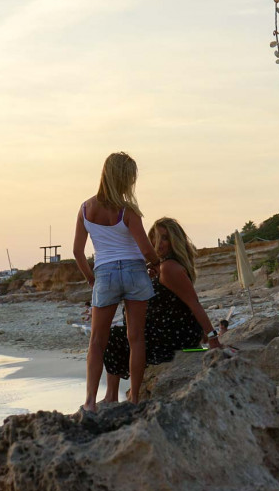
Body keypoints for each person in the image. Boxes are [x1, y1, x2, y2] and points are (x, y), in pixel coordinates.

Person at [73, 152, 162, 411]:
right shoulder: (128, 211)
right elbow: (145, 248)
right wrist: (156, 265)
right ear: (125, 179)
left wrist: (91, 278)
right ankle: (134, 398)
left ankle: (89, 402)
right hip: (135, 271)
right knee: (135, 338)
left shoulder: (86, 209)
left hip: (105, 273)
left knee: (97, 341)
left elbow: (78, 252)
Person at [101, 218, 224, 403]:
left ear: (175, 241)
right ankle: (112, 395)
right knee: (122, 334)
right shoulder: (163, 267)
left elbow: (194, 304)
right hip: (167, 331)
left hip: (174, 336)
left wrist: (213, 338)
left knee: (114, 336)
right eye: (154, 238)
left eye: (164, 238)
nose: (158, 244)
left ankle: (112, 396)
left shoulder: (169, 268)